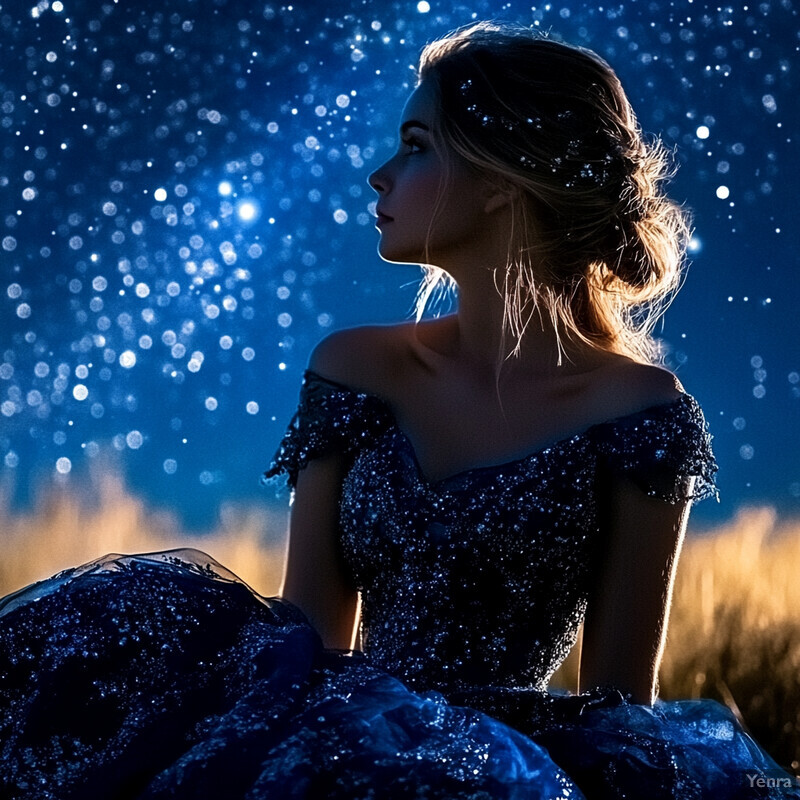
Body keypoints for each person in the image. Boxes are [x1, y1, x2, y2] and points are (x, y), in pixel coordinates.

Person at [0, 21, 795, 800]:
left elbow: (623, 707)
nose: (380, 175)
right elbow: (305, 632)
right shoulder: (356, 370)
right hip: (343, 742)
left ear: (498, 180)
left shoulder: (639, 413)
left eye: (416, 145)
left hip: (513, 773)